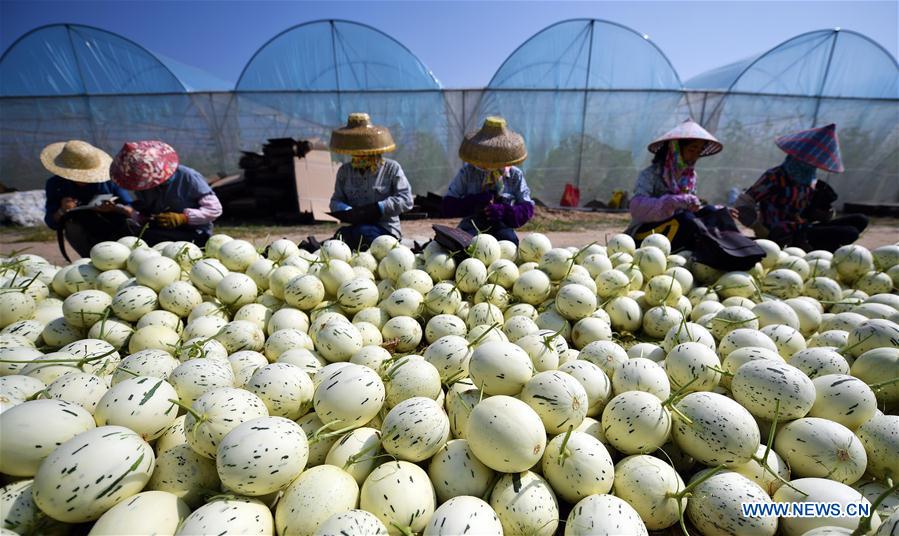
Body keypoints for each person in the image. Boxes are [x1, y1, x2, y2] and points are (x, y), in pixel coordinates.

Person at [735, 123, 867, 252]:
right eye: (804, 162)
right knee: (849, 233)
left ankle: (814, 247)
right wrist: (758, 227)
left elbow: (808, 213)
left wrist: (824, 211)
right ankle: (808, 250)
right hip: (782, 233)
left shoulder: (811, 181)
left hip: (803, 227)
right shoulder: (774, 176)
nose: (808, 166)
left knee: (860, 220)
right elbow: (744, 203)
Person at [442, 117, 535, 245]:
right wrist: (474, 203)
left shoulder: (514, 175)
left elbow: (527, 208)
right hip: (472, 225)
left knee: (510, 244)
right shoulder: (468, 172)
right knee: (462, 245)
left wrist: (504, 211)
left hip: (502, 226)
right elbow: (448, 205)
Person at [327, 113, 414, 250]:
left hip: (385, 229)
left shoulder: (392, 168)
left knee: (363, 233)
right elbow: (335, 201)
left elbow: (406, 200)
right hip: (357, 228)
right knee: (340, 236)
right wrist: (346, 209)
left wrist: (380, 207)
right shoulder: (345, 171)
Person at [110, 141, 222, 246]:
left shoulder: (188, 177)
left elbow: (214, 209)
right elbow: (144, 212)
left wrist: (183, 218)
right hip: (160, 232)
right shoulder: (141, 186)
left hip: (194, 233)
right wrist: (142, 217)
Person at [626, 118, 723, 240]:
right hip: (648, 232)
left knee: (712, 211)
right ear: (675, 149)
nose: (695, 155)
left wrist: (717, 211)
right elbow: (637, 208)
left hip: (679, 227)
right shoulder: (651, 174)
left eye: (699, 151)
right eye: (692, 149)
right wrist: (671, 202)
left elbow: (691, 210)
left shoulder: (691, 177)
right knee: (687, 219)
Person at [41, 140, 134, 259]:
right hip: (81, 230)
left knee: (126, 225)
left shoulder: (108, 180)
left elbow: (131, 210)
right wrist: (62, 210)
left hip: (111, 226)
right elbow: (51, 222)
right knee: (72, 227)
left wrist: (115, 208)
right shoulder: (56, 185)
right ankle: (90, 258)